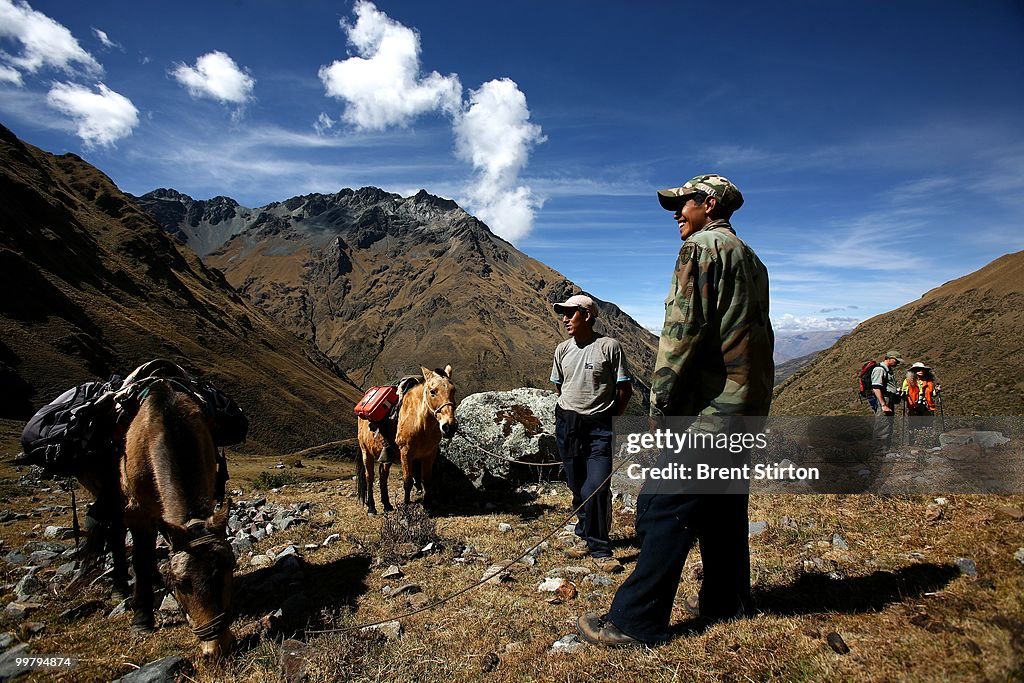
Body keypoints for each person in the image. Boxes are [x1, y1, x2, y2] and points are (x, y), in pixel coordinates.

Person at [577, 174, 774, 647]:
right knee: (725, 507)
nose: (675, 212)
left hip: (704, 410)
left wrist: (660, 402)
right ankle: (728, 601)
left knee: (666, 506)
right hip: (744, 407)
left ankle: (635, 621)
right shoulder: (752, 258)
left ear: (708, 204)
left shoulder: (699, 250)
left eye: (682, 203)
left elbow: (682, 332)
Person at [551, 294, 633, 574]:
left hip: (599, 426)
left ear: (587, 315)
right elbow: (559, 386)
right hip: (568, 424)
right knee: (576, 485)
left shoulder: (609, 347)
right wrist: (571, 411)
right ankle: (585, 532)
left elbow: (624, 389)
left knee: (595, 486)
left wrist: (610, 419)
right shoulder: (562, 349)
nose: (564, 319)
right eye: (563, 314)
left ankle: (600, 548)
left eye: (570, 314)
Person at [871, 351, 902, 450]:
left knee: (888, 423)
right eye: (896, 361)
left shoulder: (888, 370)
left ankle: (885, 447)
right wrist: (883, 404)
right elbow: (876, 387)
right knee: (882, 423)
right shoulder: (880, 369)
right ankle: (879, 450)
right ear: (890, 358)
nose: (898, 363)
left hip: (889, 398)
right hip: (884, 399)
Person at [902, 361, 937, 444]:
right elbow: (904, 392)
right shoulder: (908, 381)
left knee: (927, 424)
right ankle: (913, 442)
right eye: (918, 369)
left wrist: (937, 390)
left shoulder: (929, 382)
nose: (921, 371)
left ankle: (926, 442)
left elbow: (933, 393)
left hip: (927, 406)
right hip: (913, 406)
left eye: (922, 369)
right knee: (914, 424)